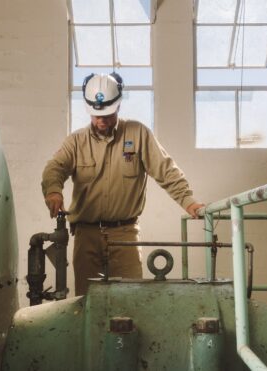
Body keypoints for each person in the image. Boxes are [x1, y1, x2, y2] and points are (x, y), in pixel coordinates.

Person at [41, 72, 203, 295]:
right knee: (87, 303)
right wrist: (53, 191)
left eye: (107, 114)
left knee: (131, 300)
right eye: (96, 115)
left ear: (118, 106)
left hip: (125, 234)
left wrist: (189, 202)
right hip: (86, 236)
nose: (102, 120)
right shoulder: (76, 142)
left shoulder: (138, 134)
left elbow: (167, 171)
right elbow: (55, 168)